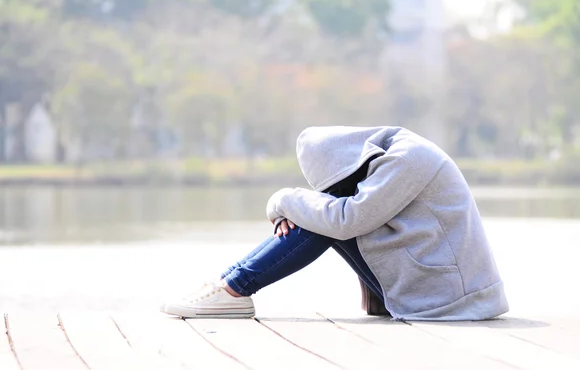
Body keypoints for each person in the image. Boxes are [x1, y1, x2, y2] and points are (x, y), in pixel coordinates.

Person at [160, 126, 509, 320]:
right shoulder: (393, 155)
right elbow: (341, 214)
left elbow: (345, 220)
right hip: (434, 286)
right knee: (323, 214)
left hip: (450, 298)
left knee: (327, 218)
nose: (331, 190)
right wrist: (304, 206)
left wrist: (286, 200)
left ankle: (234, 289)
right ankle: (228, 284)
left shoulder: (407, 159)